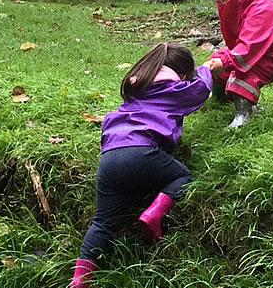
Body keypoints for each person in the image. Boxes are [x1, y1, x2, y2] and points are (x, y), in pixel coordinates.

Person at [70, 43, 213, 288]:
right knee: (182, 177)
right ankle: (154, 213)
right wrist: (207, 68)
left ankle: (79, 280)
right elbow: (199, 90)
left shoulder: (135, 92)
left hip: (110, 158)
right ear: (181, 75)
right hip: (142, 150)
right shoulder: (170, 88)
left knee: (103, 222)